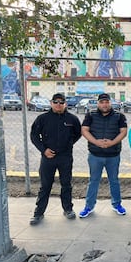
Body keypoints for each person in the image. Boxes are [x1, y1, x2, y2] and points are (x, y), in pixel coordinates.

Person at [29, 93, 81, 225]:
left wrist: (68, 144)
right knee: (45, 186)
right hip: (48, 157)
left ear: (65, 104)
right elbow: (34, 136)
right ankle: (38, 213)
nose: (58, 105)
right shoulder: (42, 118)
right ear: (51, 103)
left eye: (61, 102)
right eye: (56, 102)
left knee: (66, 184)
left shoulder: (72, 119)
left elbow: (78, 134)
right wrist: (44, 150)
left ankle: (68, 209)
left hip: (65, 157)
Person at [79, 93, 128, 218]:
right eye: (102, 102)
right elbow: (84, 130)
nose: (104, 104)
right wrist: (96, 142)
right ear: (98, 103)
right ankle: (89, 206)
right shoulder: (91, 115)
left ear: (110, 103)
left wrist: (112, 143)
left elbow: (123, 132)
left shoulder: (119, 116)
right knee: (94, 181)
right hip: (95, 155)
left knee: (114, 181)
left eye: (107, 102)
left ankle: (117, 204)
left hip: (113, 155)